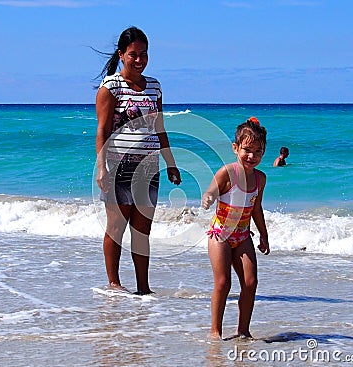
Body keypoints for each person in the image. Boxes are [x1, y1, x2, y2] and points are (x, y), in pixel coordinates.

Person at [95, 26, 181, 295]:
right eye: (133, 54)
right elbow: (102, 131)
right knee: (117, 227)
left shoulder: (155, 86)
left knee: (142, 230)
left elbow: (160, 127)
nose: (139, 60)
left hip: (149, 167)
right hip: (119, 165)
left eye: (144, 54)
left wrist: (170, 162)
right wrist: (101, 168)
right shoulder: (110, 87)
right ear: (121, 54)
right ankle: (114, 283)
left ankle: (143, 288)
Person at [202, 117, 270, 340]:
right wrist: (209, 197)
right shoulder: (227, 173)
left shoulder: (260, 179)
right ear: (235, 148)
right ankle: (215, 330)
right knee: (223, 282)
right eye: (247, 150)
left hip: (242, 236)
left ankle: (243, 330)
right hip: (220, 234)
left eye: (258, 151)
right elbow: (211, 190)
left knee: (250, 282)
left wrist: (264, 235)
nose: (252, 156)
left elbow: (256, 209)